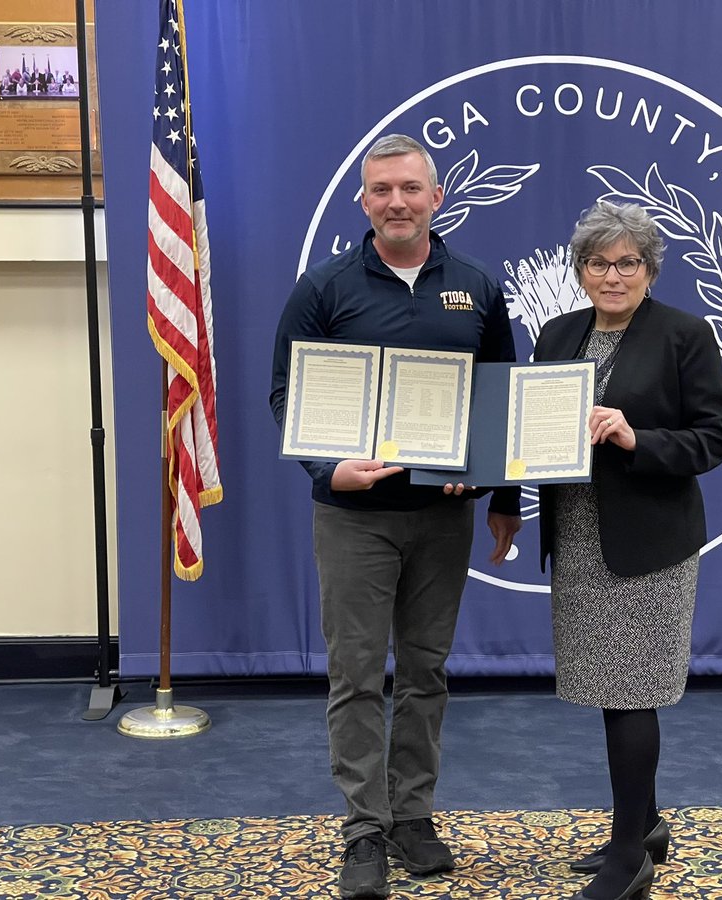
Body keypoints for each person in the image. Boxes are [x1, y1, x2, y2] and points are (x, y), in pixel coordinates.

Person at [270, 134, 522, 900]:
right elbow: (287, 392)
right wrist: (327, 468)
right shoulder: (325, 287)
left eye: (411, 188)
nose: (397, 202)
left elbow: (500, 398)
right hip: (355, 517)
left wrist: (499, 494)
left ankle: (413, 816)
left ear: (437, 197)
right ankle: (363, 831)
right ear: (364, 201)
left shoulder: (476, 286)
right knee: (354, 674)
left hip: (441, 519)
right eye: (381, 190)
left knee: (425, 672)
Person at [533, 202, 722, 900]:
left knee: (630, 694)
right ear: (580, 270)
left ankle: (630, 860)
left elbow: (714, 437)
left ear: (650, 270)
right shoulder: (557, 336)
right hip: (580, 538)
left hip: (651, 545)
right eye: (597, 262)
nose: (611, 275)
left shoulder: (685, 334)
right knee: (607, 690)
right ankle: (645, 824)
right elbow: (532, 429)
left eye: (627, 262)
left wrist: (636, 438)